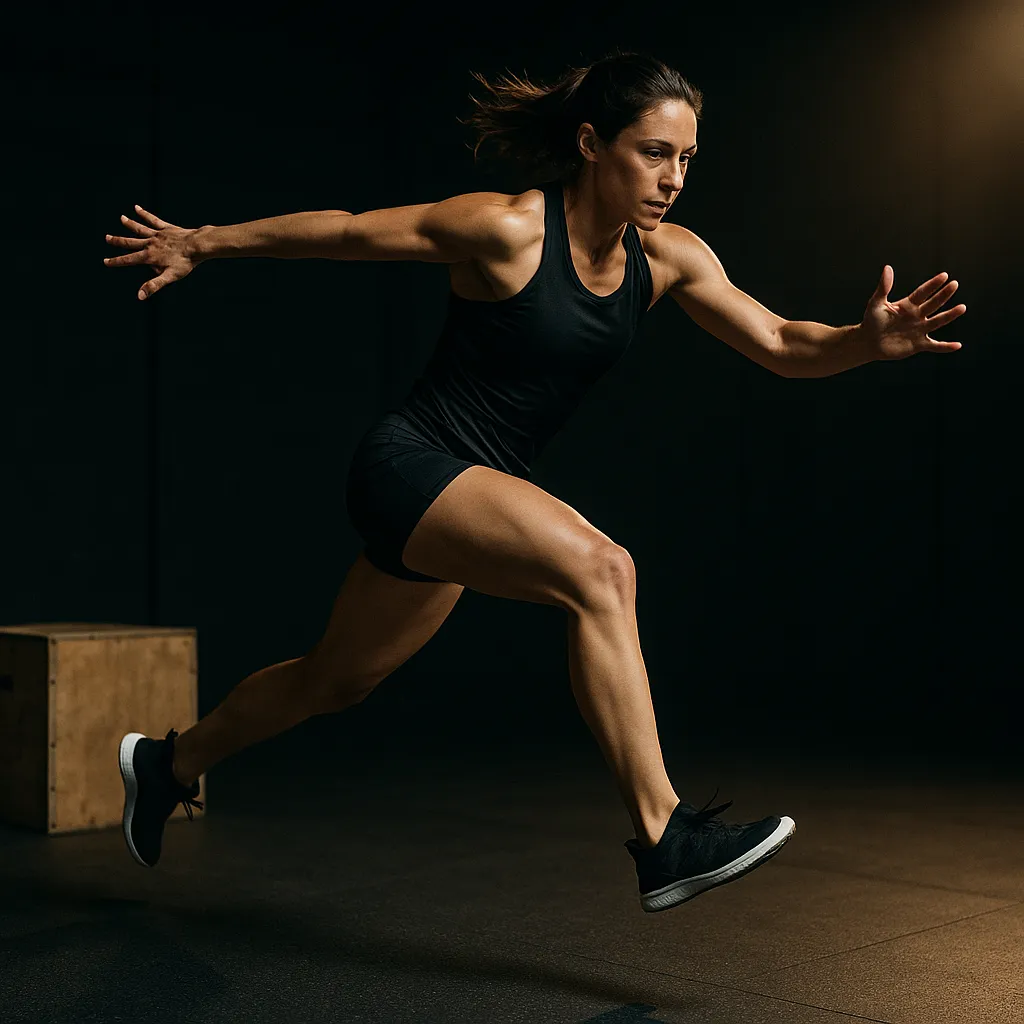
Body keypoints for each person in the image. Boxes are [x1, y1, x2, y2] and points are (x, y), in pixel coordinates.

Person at [104, 50, 965, 912]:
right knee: (604, 570)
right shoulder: (509, 229)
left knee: (334, 680)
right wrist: (201, 242)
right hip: (412, 464)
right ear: (592, 143)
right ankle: (665, 835)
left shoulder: (668, 258)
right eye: (654, 152)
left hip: (469, 494)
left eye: (687, 158)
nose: (673, 178)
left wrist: (864, 342)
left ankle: (167, 762)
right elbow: (347, 228)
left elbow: (779, 343)